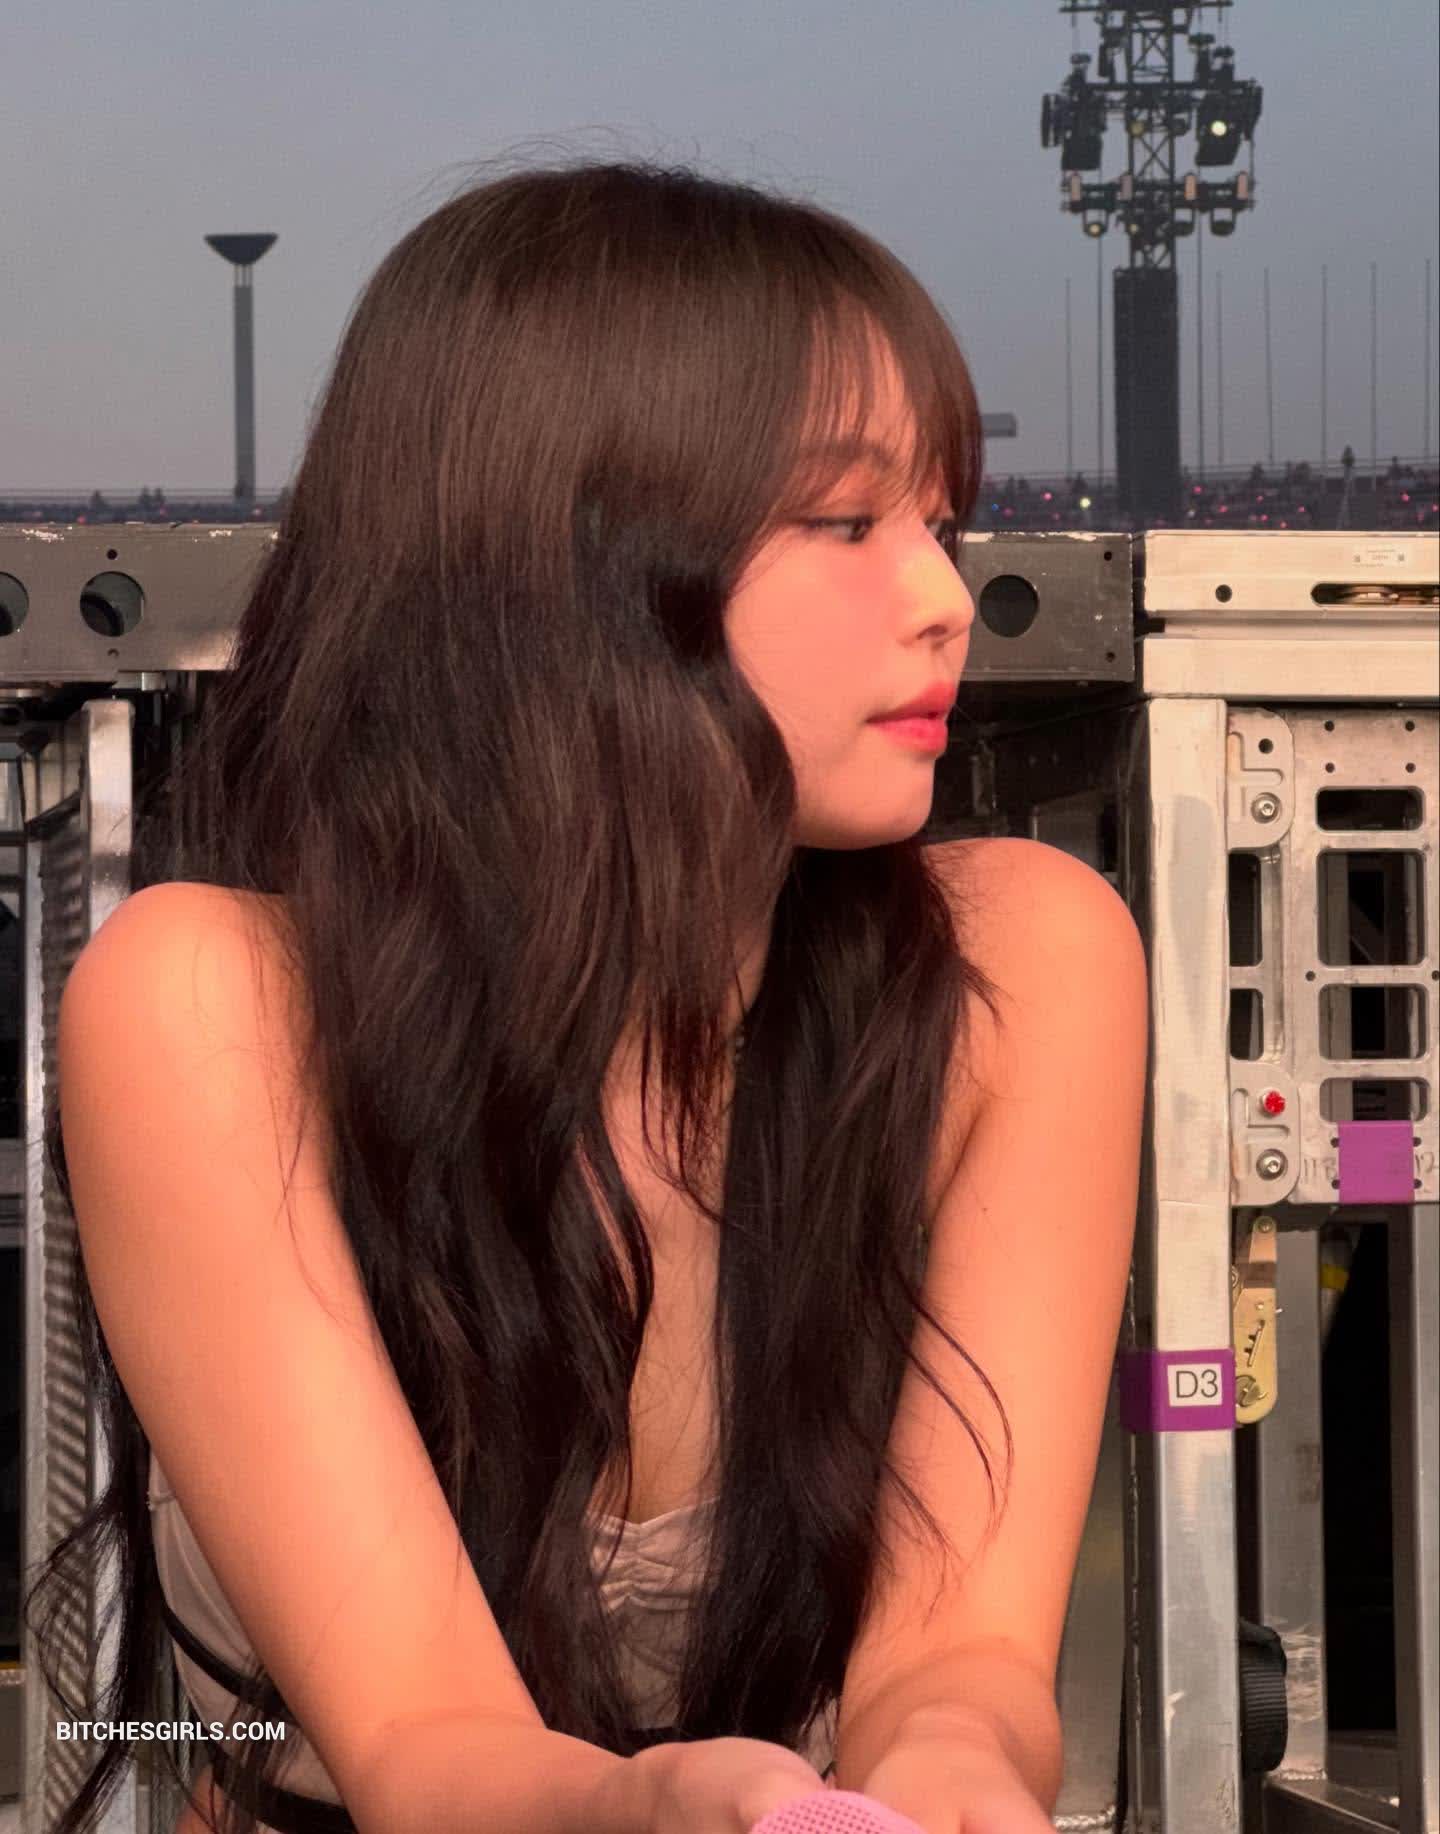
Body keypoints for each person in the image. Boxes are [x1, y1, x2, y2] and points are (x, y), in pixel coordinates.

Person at [30, 155, 1147, 1834]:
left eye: (942, 522)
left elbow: (961, 1658)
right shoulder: (207, 1006)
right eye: (849, 522)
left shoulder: (1025, 967)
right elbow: (426, 1745)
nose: (942, 599)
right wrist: (675, 1806)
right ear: (568, 565)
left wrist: (949, 1781)